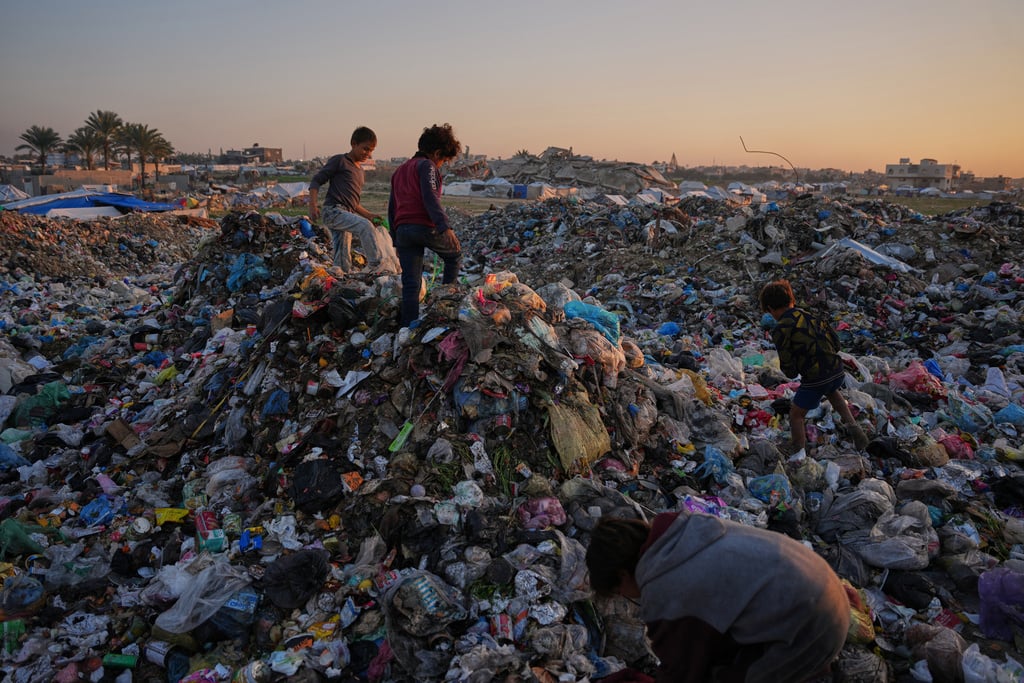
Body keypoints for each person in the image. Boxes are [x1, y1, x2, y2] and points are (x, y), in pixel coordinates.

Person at [586, 513, 851, 683]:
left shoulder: (664, 588)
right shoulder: (687, 532)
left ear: (622, 575)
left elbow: (683, 671)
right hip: (827, 587)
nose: (625, 597)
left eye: (618, 591)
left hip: (816, 627)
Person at [759, 279, 870, 459]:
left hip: (816, 378)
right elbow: (835, 343)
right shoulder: (809, 316)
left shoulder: (781, 328)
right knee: (833, 392)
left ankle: (798, 455)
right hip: (837, 371)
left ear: (771, 309)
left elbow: (789, 368)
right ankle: (855, 429)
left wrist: (795, 369)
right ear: (791, 301)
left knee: (796, 414)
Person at [387, 123, 463, 328]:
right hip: (423, 226)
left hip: (403, 230)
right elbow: (430, 198)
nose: (441, 165)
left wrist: (395, 236)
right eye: (443, 160)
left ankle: (407, 329)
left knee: (411, 283)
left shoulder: (400, 171)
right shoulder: (427, 166)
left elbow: (392, 206)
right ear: (437, 153)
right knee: (454, 255)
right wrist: (444, 227)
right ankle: (446, 308)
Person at [308, 126, 399, 274]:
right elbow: (316, 181)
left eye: (371, 151)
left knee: (343, 256)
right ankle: (377, 266)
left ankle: (340, 280)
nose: (368, 154)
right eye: (365, 149)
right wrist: (312, 205)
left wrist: (369, 215)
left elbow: (353, 203)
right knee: (365, 227)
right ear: (353, 144)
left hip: (346, 213)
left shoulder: (359, 171)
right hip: (333, 211)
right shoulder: (340, 161)